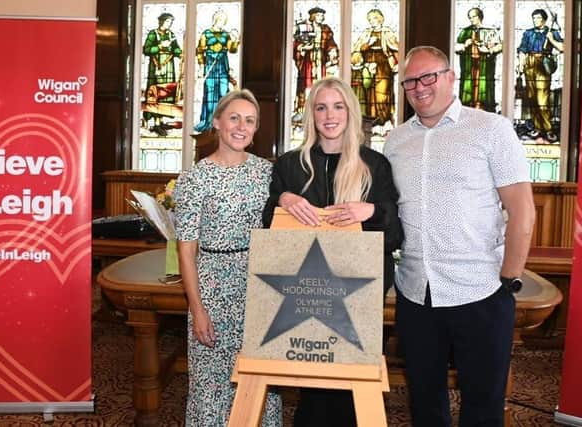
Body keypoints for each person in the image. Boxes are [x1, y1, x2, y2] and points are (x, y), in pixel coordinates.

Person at [384, 46, 535, 426]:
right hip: (416, 292)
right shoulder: (395, 140)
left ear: (452, 77)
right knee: (424, 402)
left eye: (428, 77)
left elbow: (522, 210)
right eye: (409, 82)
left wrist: (509, 280)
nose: (419, 88)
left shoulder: (491, 129)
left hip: (480, 290)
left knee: (483, 406)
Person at [263, 76, 403, 427]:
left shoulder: (375, 165)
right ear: (311, 114)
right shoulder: (290, 165)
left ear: (351, 112)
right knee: (311, 378)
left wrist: (370, 211)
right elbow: (270, 232)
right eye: (321, 107)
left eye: (338, 106)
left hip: (359, 291)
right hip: (304, 292)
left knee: (352, 380)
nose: (330, 115)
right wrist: (282, 200)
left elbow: (395, 236)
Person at [174, 89, 282, 426]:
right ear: (217, 122)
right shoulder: (194, 178)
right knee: (212, 384)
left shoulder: (268, 173)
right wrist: (197, 309)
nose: (241, 126)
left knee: (260, 377)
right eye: (234, 117)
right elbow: (186, 249)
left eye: (249, 121)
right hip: (212, 285)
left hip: (260, 285)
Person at [517, 8, 564, 142]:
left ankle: (547, 128)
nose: (536, 20)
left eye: (538, 18)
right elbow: (522, 49)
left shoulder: (552, 32)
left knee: (542, 97)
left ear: (544, 19)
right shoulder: (528, 33)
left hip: (543, 64)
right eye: (534, 18)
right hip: (529, 63)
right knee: (532, 97)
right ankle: (537, 127)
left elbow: (562, 48)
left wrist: (551, 40)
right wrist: (520, 64)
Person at [194, 10, 240, 133]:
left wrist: (236, 40)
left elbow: (233, 49)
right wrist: (200, 67)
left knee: (223, 92)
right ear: (215, 20)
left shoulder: (226, 35)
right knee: (209, 93)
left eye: (223, 21)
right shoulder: (206, 34)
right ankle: (209, 121)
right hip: (210, 65)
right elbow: (199, 51)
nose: (221, 23)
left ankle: (223, 122)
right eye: (220, 20)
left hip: (222, 65)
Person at [351, 9, 399, 126]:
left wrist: (399, 64)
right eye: (370, 19)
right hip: (367, 66)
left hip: (383, 66)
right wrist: (368, 44)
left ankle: (384, 119)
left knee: (382, 93)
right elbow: (357, 49)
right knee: (369, 94)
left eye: (374, 18)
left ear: (380, 19)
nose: (372, 21)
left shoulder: (387, 32)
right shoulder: (367, 33)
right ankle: (372, 120)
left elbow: (396, 48)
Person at [292, 7, 339, 123]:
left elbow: (331, 43)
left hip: (321, 59)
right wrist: (303, 47)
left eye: (322, 15)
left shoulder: (326, 29)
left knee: (322, 83)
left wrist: (332, 53)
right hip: (308, 59)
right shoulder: (305, 27)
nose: (321, 17)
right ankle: (304, 111)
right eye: (318, 15)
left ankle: (321, 109)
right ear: (313, 16)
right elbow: (295, 43)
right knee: (306, 84)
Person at [454, 7, 502, 112]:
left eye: (474, 16)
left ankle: (484, 109)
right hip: (469, 67)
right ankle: (467, 110)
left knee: (484, 88)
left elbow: (500, 46)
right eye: (470, 17)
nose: (471, 19)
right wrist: (464, 45)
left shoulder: (489, 31)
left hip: (484, 67)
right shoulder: (464, 32)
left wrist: (489, 50)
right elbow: (455, 47)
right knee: (468, 88)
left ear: (480, 17)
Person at [142, 12, 183, 136]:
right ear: (161, 22)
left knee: (167, 93)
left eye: (170, 22)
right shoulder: (153, 34)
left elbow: (176, 48)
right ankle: (156, 122)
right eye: (167, 22)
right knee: (156, 94)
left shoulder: (171, 34)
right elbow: (147, 49)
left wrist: (179, 52)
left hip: (169, 66)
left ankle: (162, 120)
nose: (169, 24)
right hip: (156, 67)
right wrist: (160, 46)